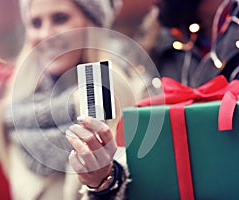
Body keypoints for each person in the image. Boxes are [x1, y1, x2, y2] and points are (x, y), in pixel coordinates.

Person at [0, 0, 149, 199]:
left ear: (91, 24)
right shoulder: (15, 105)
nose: (46, 34)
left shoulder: (123, 91)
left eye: (60, 18)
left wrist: (104, 182)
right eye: (35, 23)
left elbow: (145, 184)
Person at [66, 0, 239, 199]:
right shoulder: (151, 51)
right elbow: (142, 172)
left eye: (61, 18)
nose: (46, 34)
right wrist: (107, 180)